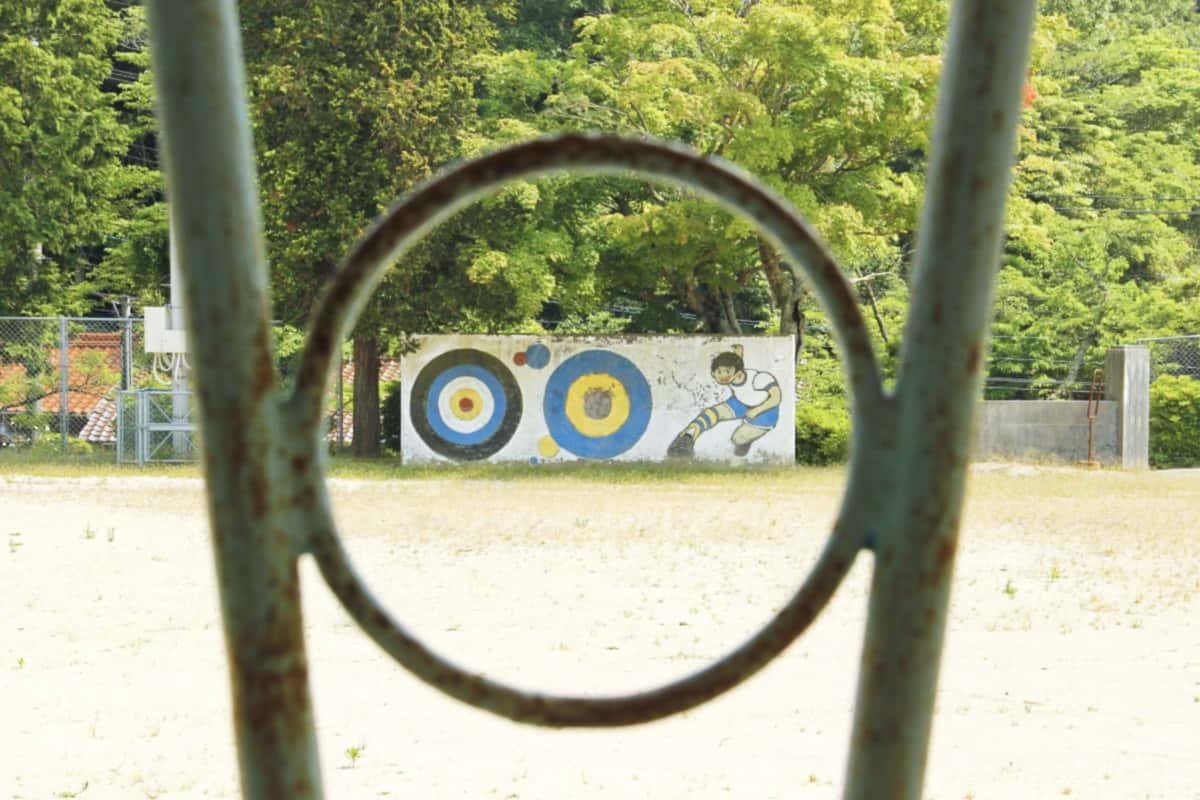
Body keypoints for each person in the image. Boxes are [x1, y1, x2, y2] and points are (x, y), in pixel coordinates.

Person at [668, 345, 782, 458]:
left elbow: (776, 398)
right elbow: (736, 365)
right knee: (711, 413)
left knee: (737, 439)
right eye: (719, 372)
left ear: (737, 372)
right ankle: (686, 439)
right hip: (741, 402)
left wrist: (757, 410)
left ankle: (745, 442)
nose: (723, 376)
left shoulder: (759, 378)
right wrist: (738, 354)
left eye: (727, 372)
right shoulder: (734, 375)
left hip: (766, 411)